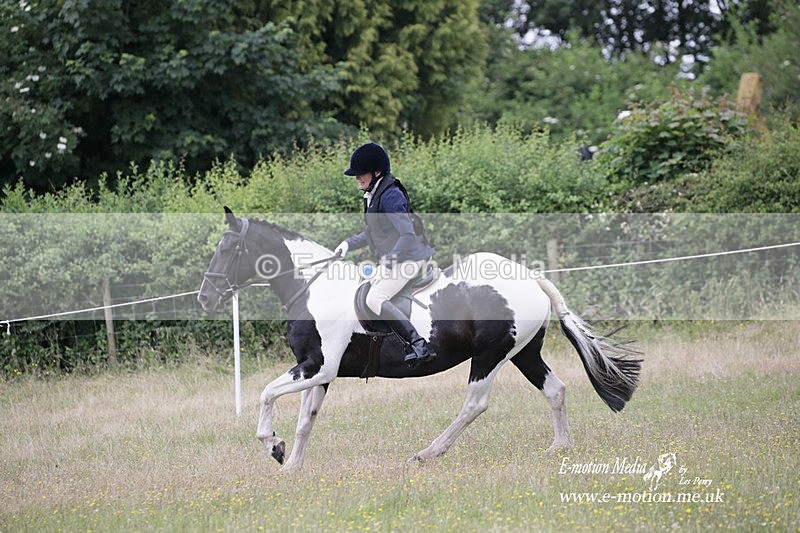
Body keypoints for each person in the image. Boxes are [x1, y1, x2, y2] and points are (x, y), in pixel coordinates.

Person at [334, 142, 436, 366]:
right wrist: (347, 244)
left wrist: (388, 262)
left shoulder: (390, 194)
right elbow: (373, 232)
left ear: (376, 172)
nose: (357, 178)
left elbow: (407, 234)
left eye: (361, 174)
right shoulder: (374, 193)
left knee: (375, 298)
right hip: (398, 258)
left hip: (411, 258)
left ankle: (417, 344)